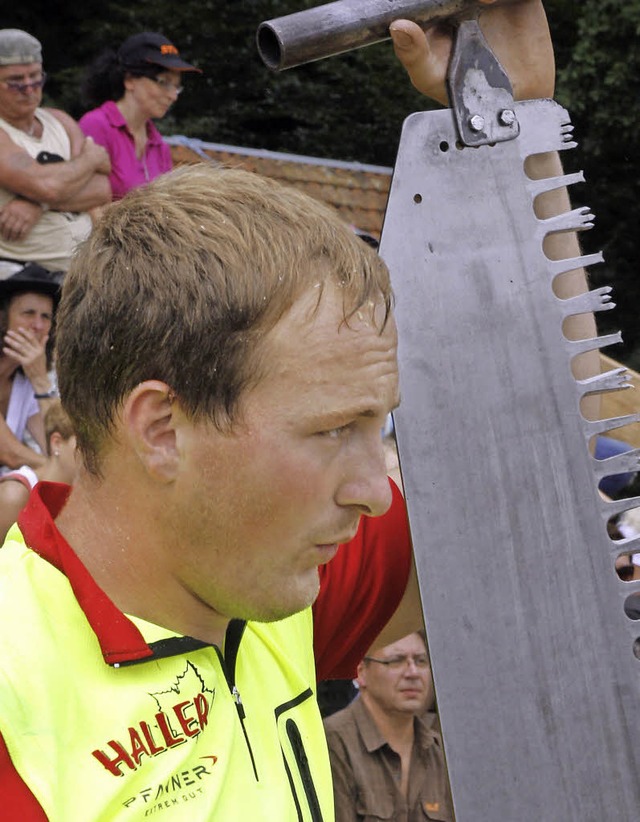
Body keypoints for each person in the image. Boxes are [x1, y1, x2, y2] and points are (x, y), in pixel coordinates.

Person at [0, 3, 595, 818]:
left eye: (376, 427)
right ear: (162, 431)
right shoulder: (17, 694)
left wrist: (513, 130)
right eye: (330, 431)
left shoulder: (260, 575)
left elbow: (546, 477)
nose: (376, 489)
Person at [0, 29, 111, 272]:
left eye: (36, 77)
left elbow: (102, 188)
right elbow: (47, 187)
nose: (29, 88)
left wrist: (38, 204)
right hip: (20, 278)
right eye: (16, 81)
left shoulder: (59, 120)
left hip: (82, 271)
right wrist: (90, 159)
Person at [324, 631, 453, 821]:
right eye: (396, 661)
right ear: (360, 672)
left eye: (421, 661)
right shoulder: (334, 742)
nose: (412, 673)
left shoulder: (439, 750)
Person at [79, 32, 201, 200]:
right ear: (130, 80)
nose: (173, 96)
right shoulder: (96, 126)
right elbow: (86, 202)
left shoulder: (159, 146)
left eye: (177, 87)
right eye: (164, 82)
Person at [0, 262, 60, 472]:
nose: (38, 325)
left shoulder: (26, 381)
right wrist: (58, 470)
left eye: (46, 317)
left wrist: (40, 379)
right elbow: (10, 453)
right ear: (4, 319)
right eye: (28, 313)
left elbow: (56, 444)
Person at [0, 399, 76, 541]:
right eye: (84, 446)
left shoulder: (81, 495)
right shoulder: (15, 494)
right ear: (57, 443)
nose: (94, 456)